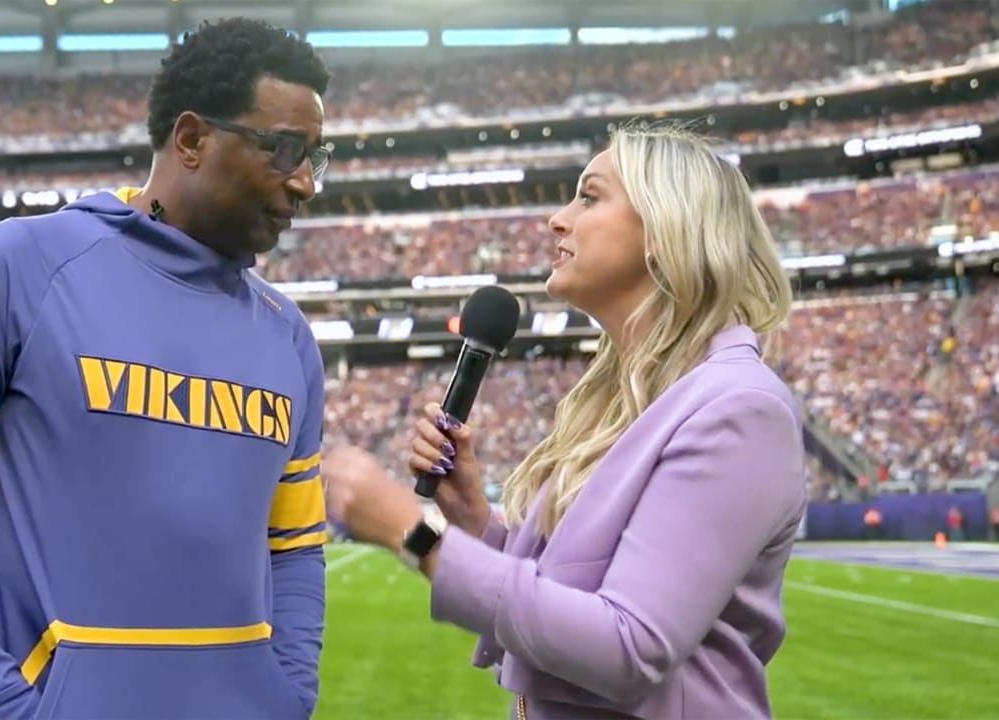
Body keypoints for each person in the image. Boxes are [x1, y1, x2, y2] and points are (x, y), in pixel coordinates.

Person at [0, 18, 332, 720]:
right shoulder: (16, 268)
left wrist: (285, 698)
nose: (307, 183)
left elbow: (294, 549)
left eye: (318, 155)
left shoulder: (289, 338)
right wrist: (0, 709)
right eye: (283, 149)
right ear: (191, 139)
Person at [323, 123, 805, 719]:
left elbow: (628, 645)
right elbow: (571, 596)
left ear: (666, 226)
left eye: (589, 196)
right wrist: (476, 523)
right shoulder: (624, 399)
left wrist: (416, 534)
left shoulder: (738, 409)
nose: (558, 218)